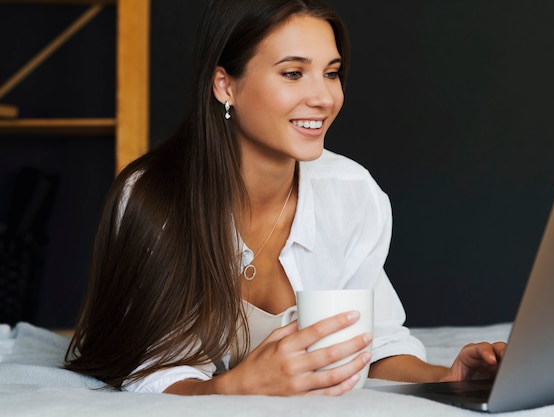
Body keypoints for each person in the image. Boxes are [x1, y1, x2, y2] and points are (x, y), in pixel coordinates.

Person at [65, 0, 506, 396]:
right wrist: (235, 387)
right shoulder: (154, 198)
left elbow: (375, 348)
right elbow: (152, 372)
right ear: (225, 85)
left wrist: (446, 378)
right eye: (293, 73)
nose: (324, 97)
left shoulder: (352, 193)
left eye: (331, 73)